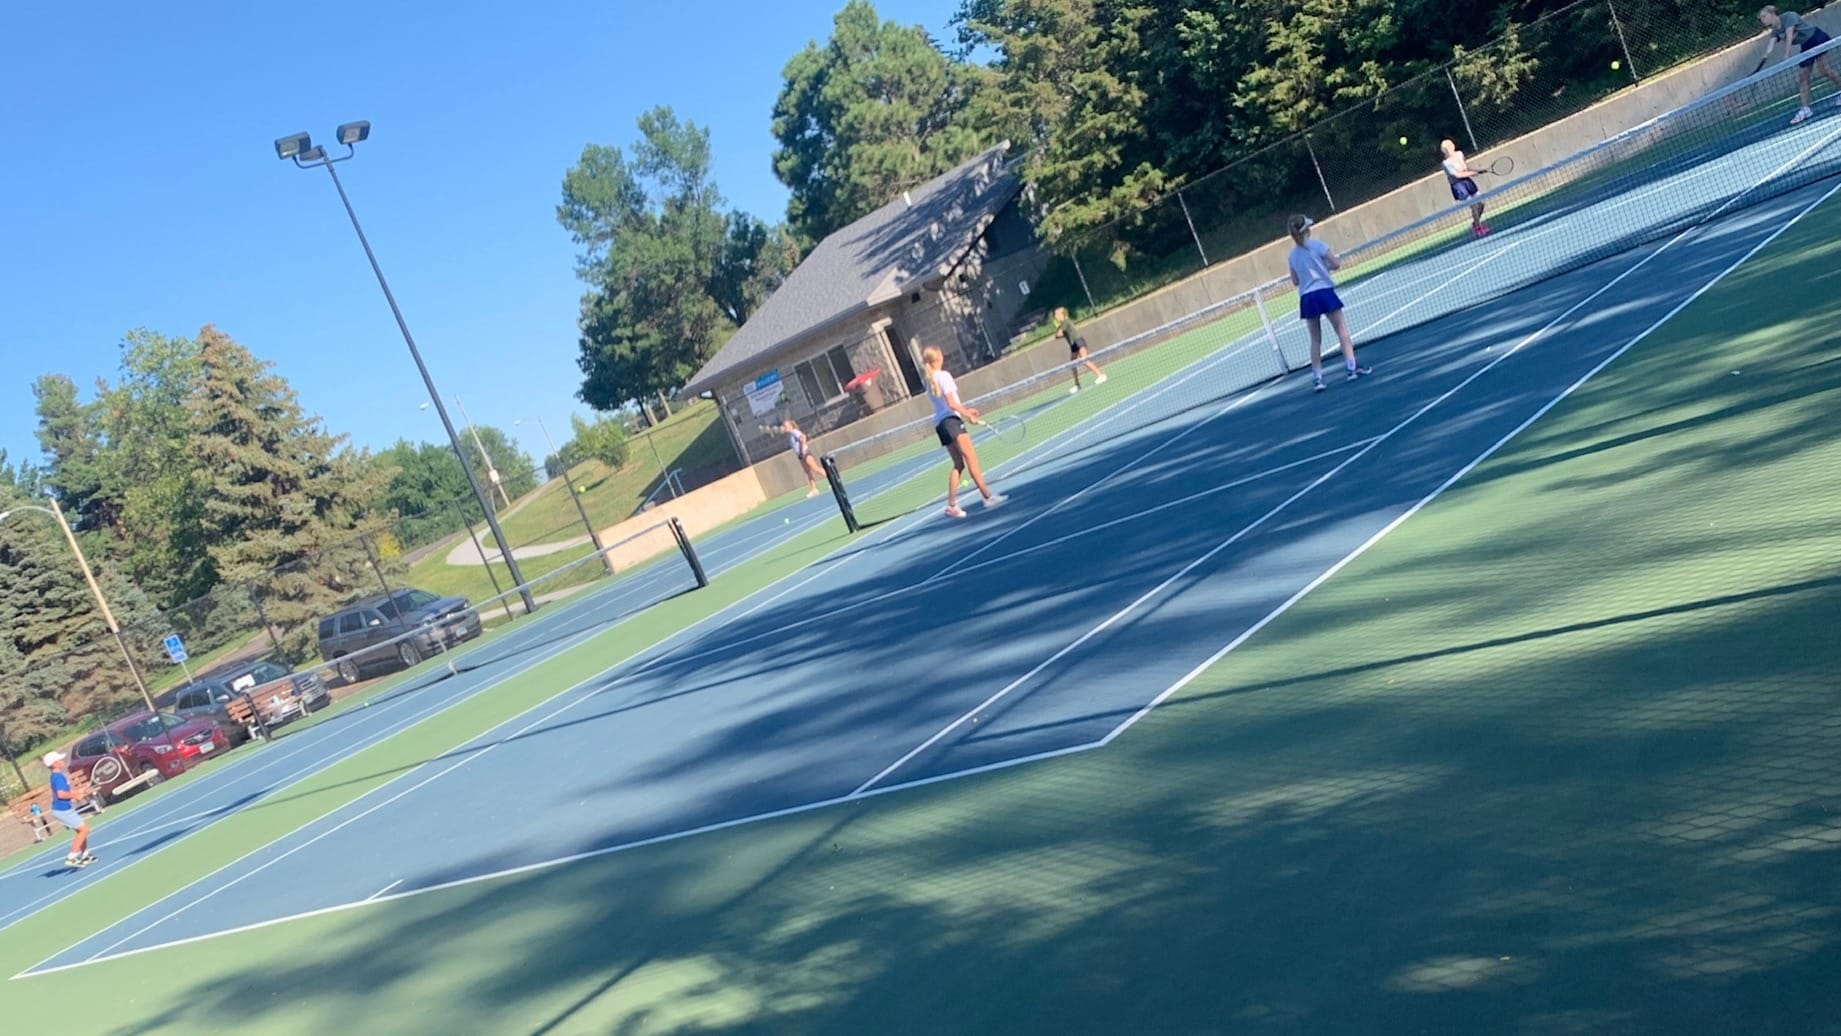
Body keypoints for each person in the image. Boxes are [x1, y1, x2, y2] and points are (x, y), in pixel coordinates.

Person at [1286, 215, 1371, 393]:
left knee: (1315, 340)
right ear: (1306, 230)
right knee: (1342, 332)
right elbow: (1336, 264)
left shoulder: (1292, 255)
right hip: (1324, 292)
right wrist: (1322, 267)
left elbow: (1295, 281)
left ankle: (1318, 378)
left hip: (1307, 297)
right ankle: (1351, 367)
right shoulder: (1318, 245)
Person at [921, 346, 1006, 518]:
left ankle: (952, 505)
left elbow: (947, 405)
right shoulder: (943, 376)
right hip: (952, 422)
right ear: (938, 357)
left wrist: (966, 411)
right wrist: (968, 415)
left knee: (958, 464)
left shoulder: (929, 380)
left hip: (941, 425)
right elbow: (951, 403)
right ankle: (988, 497)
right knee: (971, 460)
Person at [1760, 7, 1841, 125]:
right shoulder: (1775, 30)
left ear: (1772, 14)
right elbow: (1771, 45)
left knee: (1824, 70)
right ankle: (1805, 109)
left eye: (1764, 16)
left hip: (1817, 38)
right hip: (1806, 46)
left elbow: (1789, 35)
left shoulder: (1789, 16)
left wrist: (1787, 55)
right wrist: (1765, 56)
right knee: (1802, 77)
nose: (1762, 20)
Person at [42, 752, 95, 867]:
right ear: (54, 764)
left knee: (80, 830)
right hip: (62, 810)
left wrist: (80, 791)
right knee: (84, 830)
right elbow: (61, 795)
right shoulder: (58, 777)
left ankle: (85, 855)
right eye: (60, 760)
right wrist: (76, 796)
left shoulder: (56, 776)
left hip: (65, 809)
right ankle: (71, 857)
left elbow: (65, 792)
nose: (62, 761)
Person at [1440, 140, 1490, 237]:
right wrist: (1472, 173)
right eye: (1445, 149)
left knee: (1481, 203)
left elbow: (1465, 169)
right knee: (1473, 205)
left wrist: (1477, 171)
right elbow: (1457, 175)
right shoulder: (1445, 163)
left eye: (1449, 147)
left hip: (1467, 182)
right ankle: (1478, 228)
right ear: (1444, 151)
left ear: (1453, 146)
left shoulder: (1459, 154)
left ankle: (1476, 222)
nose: (1448, 150)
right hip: (1458, 185)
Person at [1051, 306, 1107, 394]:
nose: (1055, 316)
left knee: (1084, 360)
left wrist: (1058, 329)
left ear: (1062, 314)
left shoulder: (1066, 322)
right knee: (1072, 365)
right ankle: (1077, 385)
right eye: (1055, 314)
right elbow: (1058, 336)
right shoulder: (1062, 324)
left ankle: (1101, 375)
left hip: (1078, 341)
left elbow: (1059, 334)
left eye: (1057, 314)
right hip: (1073, 345)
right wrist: (1059, 330)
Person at [783, 418, 824, 498]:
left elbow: (803, 437)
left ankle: (831, 479)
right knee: (808, 472)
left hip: (804, 453)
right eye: (784, 426)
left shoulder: (795, 432)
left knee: (815, 468)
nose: (785, 428)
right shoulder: (790, 435)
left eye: (786, 426)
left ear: (791, 426)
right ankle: (814, 489)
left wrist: (803, 449)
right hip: (800, 455)